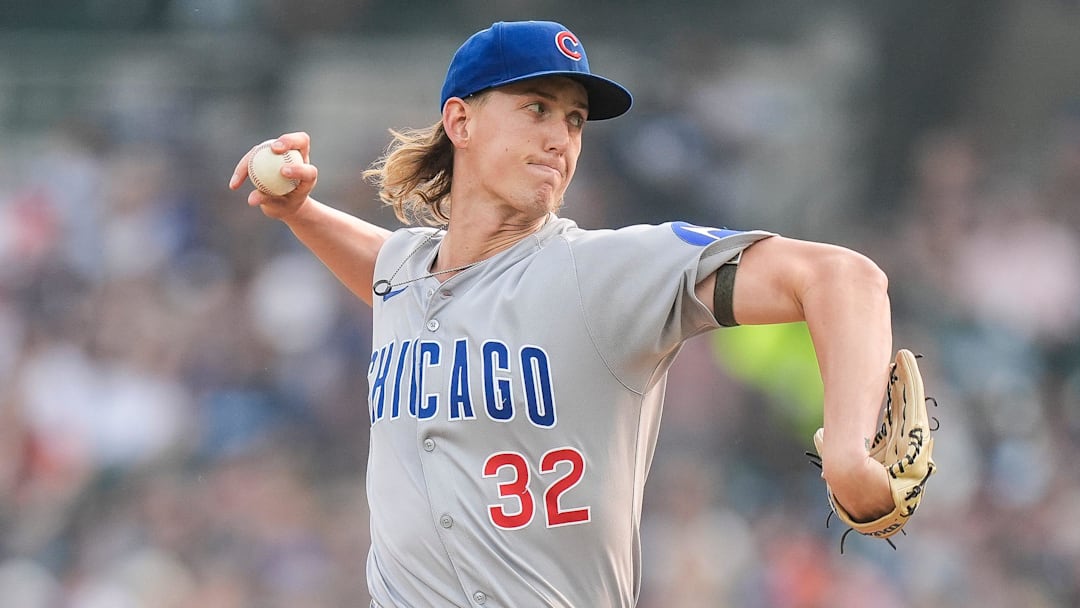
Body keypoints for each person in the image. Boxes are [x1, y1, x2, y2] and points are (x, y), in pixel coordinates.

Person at [228, 20, 895, 608]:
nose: (561, 138)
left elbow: (843, 277)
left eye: (574, 121)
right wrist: (300, 212)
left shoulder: (603, 273)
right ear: (461, 122)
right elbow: (387, 268)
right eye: (537, 108)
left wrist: (847, 449)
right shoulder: (407, 275)